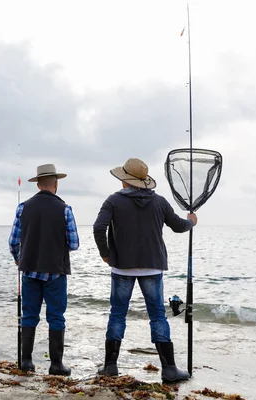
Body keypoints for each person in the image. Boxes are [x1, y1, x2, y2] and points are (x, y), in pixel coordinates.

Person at [93, 158, 196, 383]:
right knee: (157, 314)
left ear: (125, 181)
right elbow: (179, 226)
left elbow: (99, 227)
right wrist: (191, 222)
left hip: (122, 267)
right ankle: (169, 369)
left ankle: (110, 366)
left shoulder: (113, 201)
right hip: (152, 265)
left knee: (117, 313)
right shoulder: (159, 202)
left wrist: (106, 254)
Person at [9, 163, 80, 376]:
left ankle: (26, 362)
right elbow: (74, 243)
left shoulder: (23, 207)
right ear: (56, 184)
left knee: (29, 315)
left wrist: (18, 259)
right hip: (56, 272)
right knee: (56, 316)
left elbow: (13, 241)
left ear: (38, 184)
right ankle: (56, 364)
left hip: (29, 270)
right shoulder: (65, 209)